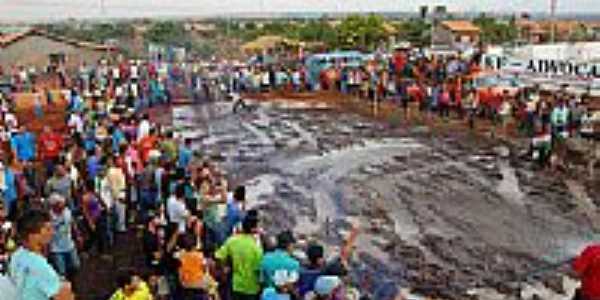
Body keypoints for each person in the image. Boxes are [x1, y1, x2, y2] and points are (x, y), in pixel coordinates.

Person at [8, 209, 75, 300]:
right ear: (32, 236)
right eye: (47, 229)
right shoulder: (41, 267)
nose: (52, 232)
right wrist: (67, 288)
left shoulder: (17, 254)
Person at [215, 214, 263, 300]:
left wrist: (224, 270)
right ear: (253, 229)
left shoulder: (232, 240)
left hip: (235, 285)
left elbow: (218, 256)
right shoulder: (256, 248)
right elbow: (259, 269)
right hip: (252, 288)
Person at [48, 194, 80, 279]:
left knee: (75, 265)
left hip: (69, 244)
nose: (62, 205)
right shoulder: (49, 216)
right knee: (61, 271)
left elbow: (72, 223)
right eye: (60, 204)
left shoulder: (67, 211)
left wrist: (77, 235)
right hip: (56, 248)